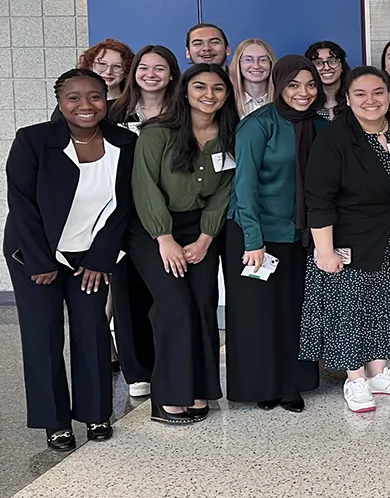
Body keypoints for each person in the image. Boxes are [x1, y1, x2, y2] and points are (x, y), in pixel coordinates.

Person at [5, 69, 137, 450]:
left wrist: (101, 259)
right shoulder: (33, 140)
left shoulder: (124, 143)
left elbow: (123, 207)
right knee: (42, 334)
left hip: (90, 256)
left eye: (94, 96)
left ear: (106, 97)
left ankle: (97, 413)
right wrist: (40, 261)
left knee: (92, 331)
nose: (85, 105)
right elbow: (22, 205)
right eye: (73, 97)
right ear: (60, 102)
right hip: (35, 254)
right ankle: (55, 422)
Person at [300, 66, 390, 414]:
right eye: (361, 94)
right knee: (349, 309)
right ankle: (355, 379)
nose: (371, 101)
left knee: (384, 304)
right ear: (347, 99)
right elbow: (318, 198)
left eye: (378, 92)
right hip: (347, 236)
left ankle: (379, 372)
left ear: (389, 94)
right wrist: (324, 250)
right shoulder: (335, 138)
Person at [130, 64, 238, 424]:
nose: (210, 95)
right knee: (175, 305)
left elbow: (223, 191)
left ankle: (199, 388)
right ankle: (167, 396)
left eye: (218, 89)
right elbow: (145, 187)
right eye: (200, 87)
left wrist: (206, 237)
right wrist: (165, 238)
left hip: (201, 230)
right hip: (152, 229)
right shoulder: (157, 133)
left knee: (204, 305)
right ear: (185, 90)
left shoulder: (228, 135)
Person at [224, 56, 327, 413]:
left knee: (295, 312)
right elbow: (245, 186)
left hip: (300, 236)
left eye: (311, 85)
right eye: (294, 85)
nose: (304, 93)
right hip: (257, 235)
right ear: (279, 86)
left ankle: (291, 384)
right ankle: (262, 385)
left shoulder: (323, 127)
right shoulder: (258, 125)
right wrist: (253, 239)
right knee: (258, 315)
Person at [108, 45, 182, 400]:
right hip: (121, 214)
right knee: (125, 293)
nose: (151, 74)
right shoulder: (114, 113)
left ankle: (166, 365)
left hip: (167, 214)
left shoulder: (181, 112)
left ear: (172, 74)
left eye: (160, 68)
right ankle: (137, 370)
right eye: (144, 67)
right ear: (134, 72)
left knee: (166, 293)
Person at [229, 39, 277, 118]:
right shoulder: (227, 101)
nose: (256, 66)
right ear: (238, 64)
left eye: (263, 60)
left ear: (271, 63)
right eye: (248, 60)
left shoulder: (283, 100)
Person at [306, 40, 351, 120]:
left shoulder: (354, 98)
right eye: (318, 63)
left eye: (332, 61)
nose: (326, 67)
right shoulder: (305, 101)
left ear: (342, 66)